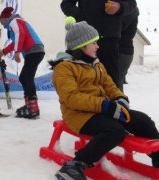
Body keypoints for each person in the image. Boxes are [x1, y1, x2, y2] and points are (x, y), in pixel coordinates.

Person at [49, 17, 159, 180]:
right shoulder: (64, 68)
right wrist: (105, 106)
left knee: (143, 120)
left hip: (100, 110)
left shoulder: (96, 64)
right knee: (114, 131)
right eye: (93, 42)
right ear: (81, 45)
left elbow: (110, 87)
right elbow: (71, 98)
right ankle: (75, 165)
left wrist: (120, 99)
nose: (97, 46)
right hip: (78, 115)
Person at [60, 0, 137, 87]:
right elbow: (66, 4)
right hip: (85, 40)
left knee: (111, 82)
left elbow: (131, 3)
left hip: (109, 40)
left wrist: (120, 7)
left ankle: (114, 100)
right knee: (85, 81)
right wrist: (82, 17)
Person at [0, 7, 45, 119]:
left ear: (5, 18)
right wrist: (3, 52)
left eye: (1, 21)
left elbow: (20, 34)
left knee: (26, 77)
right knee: (25, 77)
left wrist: (18, 52)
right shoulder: (16, 22)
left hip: (34, 50)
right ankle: (30, 106)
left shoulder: (14, 22)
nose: (1, 24)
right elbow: (16, 41)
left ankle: (33, 109)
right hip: (35, 50)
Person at [117, 7, 139, 91]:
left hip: (123, 52)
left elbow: (118, 26)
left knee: (115, 83)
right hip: (122, 51)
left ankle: (120, 103)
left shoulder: (130, 9)